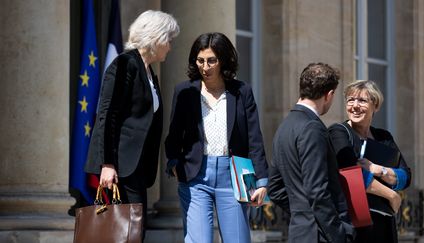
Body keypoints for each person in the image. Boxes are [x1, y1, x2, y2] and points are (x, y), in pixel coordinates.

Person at [164, 32, 268, 243]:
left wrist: (262, 181)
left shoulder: (242, 91)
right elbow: (173, 135)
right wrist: (174, 163)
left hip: (234, 178)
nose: (205, 67)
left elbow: (254, 138)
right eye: (200, 60)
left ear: (223, 60)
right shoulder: (184, 91)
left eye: (212, 60)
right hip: (195, 177)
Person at [85, 10, 179, 241]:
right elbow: (108, 115)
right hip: (120, 167)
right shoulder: (125, 64)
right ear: (156, 37)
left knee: (134, 231)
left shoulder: (149, 73)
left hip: (137, 168)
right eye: (169, 40)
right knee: (127, 233)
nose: (170, 46)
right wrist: (107, 163)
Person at [268, 63, 354, 243]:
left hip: (300, 232)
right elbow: (317, 191)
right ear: (329, 95)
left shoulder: (284, 126)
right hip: (321, 234)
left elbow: (275, 189)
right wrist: (339, 234)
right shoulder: (312, 127)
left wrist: (302, 212)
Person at [328, 80, 411, 243]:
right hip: (355, 226)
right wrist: (392, 195)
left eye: (362, 100)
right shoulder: (339, 132)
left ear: (376, 105)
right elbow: (352, 174)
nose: (355, 106)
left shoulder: (384, 137)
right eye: (350, 100)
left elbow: (406, 177)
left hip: (384, 223)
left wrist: (377, 169)